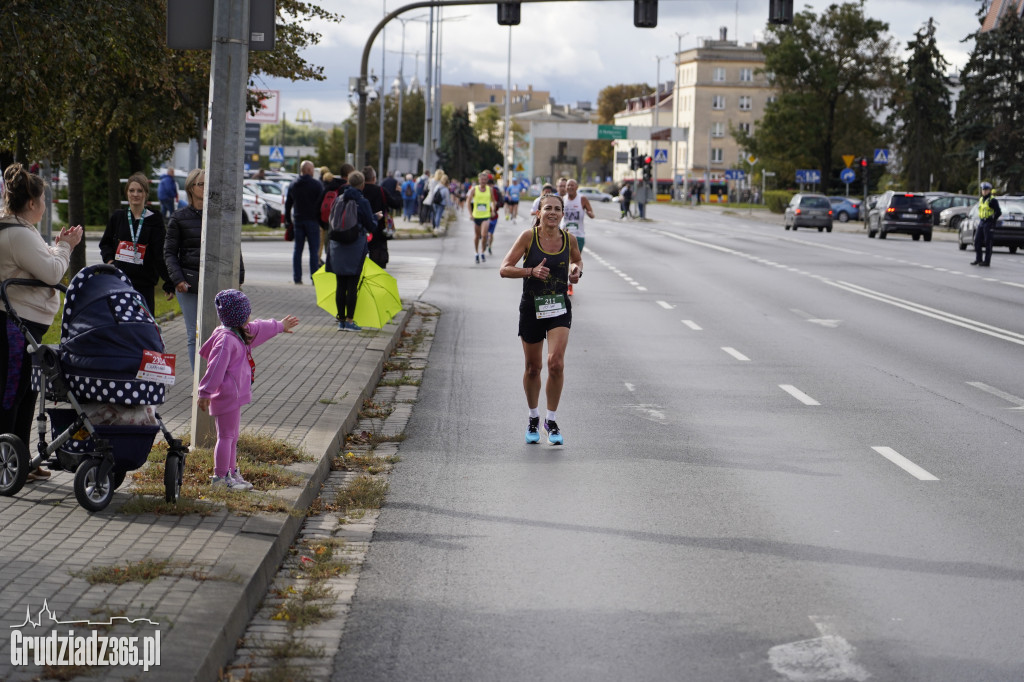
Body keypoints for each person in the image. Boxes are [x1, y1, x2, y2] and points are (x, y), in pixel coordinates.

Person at [0, 163, 83, 481]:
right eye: (44, 200)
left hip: (24, 325)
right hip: (15, 325)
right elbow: (50, 272)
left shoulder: (20, 228)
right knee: (11, 393)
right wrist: (67, 247)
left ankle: (20, 460)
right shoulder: (18, 233)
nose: (46, 206)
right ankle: (7, 462)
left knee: (25, 392)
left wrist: (55, 248)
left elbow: (38, 259)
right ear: (32, 203)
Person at [498, 192, 582, 446]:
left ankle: (551, 420)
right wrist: (530, 271)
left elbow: (575, 260)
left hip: (558, 308)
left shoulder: (569, 239)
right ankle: (533, 417)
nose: (553, 212)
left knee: (556, 363)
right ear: (539, 213)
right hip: (531, 308)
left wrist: (576, 270)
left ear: (562, 213)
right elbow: (504, 268)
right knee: (533, 368)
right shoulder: (528, 237)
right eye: (548, 208)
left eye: (557, 208)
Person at [197, 289, 299, 490]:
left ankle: (231, 473)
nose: (251, 316)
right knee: (226, 437)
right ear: (241, 316)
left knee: (232, 436)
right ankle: (220, 478)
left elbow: (259, 327)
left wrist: (279, 326)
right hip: (226, 396)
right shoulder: (227, 340)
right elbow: (215, 368)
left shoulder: (238, 333)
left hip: (233, 396)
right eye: (248, 313)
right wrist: (205, 392)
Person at [164, 168, 245, 370]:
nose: (206, 188)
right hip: (189, 283)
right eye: (202, 184)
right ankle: (197, 382)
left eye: (208, 184)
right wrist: (178, 280)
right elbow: (169, 253)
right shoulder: (179, 217)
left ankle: (215, 378)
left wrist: (239, 278)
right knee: (195, 334)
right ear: (191, 188)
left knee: (220, 332)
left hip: (217, 281)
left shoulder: (219, 216)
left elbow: (233, 246)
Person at [99, 173, 172, 313]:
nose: (135, 194)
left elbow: (159, 253)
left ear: (146, 193)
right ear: (126, 193)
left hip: (144, 284)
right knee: (121, 325)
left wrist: (168, 282)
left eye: (140, 191)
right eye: (131, 190)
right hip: (120, 281)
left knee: (143, 326)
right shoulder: (118, 217)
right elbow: (105, 243)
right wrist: (109, 261)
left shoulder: (154, 220)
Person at [327, 171, 376, 331]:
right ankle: (350, 320)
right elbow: (371, 226)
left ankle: (340, 321)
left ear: (348, 182)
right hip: (355, 245)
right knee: (352, 285)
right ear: (362, 185)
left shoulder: (339, 199)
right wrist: (376, 218)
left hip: (337, 245)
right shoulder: (362, 202)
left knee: (340, 284)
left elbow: (331, 220)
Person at [284, 160, 324, 285]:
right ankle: (314, 278)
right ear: (309, 170)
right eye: (312, 169)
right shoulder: (317, 185)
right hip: (312, 221)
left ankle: (297, 278)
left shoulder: (293, 184)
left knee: (298, 250)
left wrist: (287, 220)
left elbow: (288, 204)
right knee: (314, 251)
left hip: (298, 220)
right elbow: (321, 204)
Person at [360, 166, 401, 269]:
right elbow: (396, 204)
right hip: (379, 231)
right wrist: (397, 192)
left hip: (360, 230)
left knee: (360, 262)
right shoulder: (381, 191)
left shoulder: (358, 191)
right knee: (378, 264)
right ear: (374, 178)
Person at [560, 179, 594, 295]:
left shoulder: (582, 199)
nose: (569, 187)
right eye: (568, 185)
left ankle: (570, 284)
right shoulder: (562, 199)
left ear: (577, 187)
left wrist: (589, 213)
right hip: (564, 234)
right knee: (564, 260)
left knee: (573, 260)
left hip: (578, 235)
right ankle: (564, 283)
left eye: (572, 185)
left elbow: (591, 213)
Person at [318, 168, 345, 267]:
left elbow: (318, 206)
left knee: (322, 243)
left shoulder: (323, 188)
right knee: (332, 244)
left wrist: (320, 221)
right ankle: (332, 262)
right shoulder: (339, 188)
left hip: (324, 220)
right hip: (335, 220)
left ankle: (321, 261)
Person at [971, 181, 1001, 267]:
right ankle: (978, 259)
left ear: (989, 191)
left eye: (986, 190)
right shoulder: (981, 199)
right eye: (983, 190)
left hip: (988, 222)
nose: (984, 191)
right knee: (977, 241)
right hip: (981, 222)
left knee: (988, 242)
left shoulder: (992, 200)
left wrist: (993, 220)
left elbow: (998, 212)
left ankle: (987, 261)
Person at [469, 172, 494, 263]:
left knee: (484, 235)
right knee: (477, 236)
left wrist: (493, 210)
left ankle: (482, 251)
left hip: (486, 216)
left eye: (485, 179)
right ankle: (476, 253)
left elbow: (493, 201)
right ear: (478, 180)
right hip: (476, 216)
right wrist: (470, 213)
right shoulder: (474, 189)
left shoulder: (489, 189)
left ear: (487, 180)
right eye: (481, 179)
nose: (483, 181)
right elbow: (468, 201)